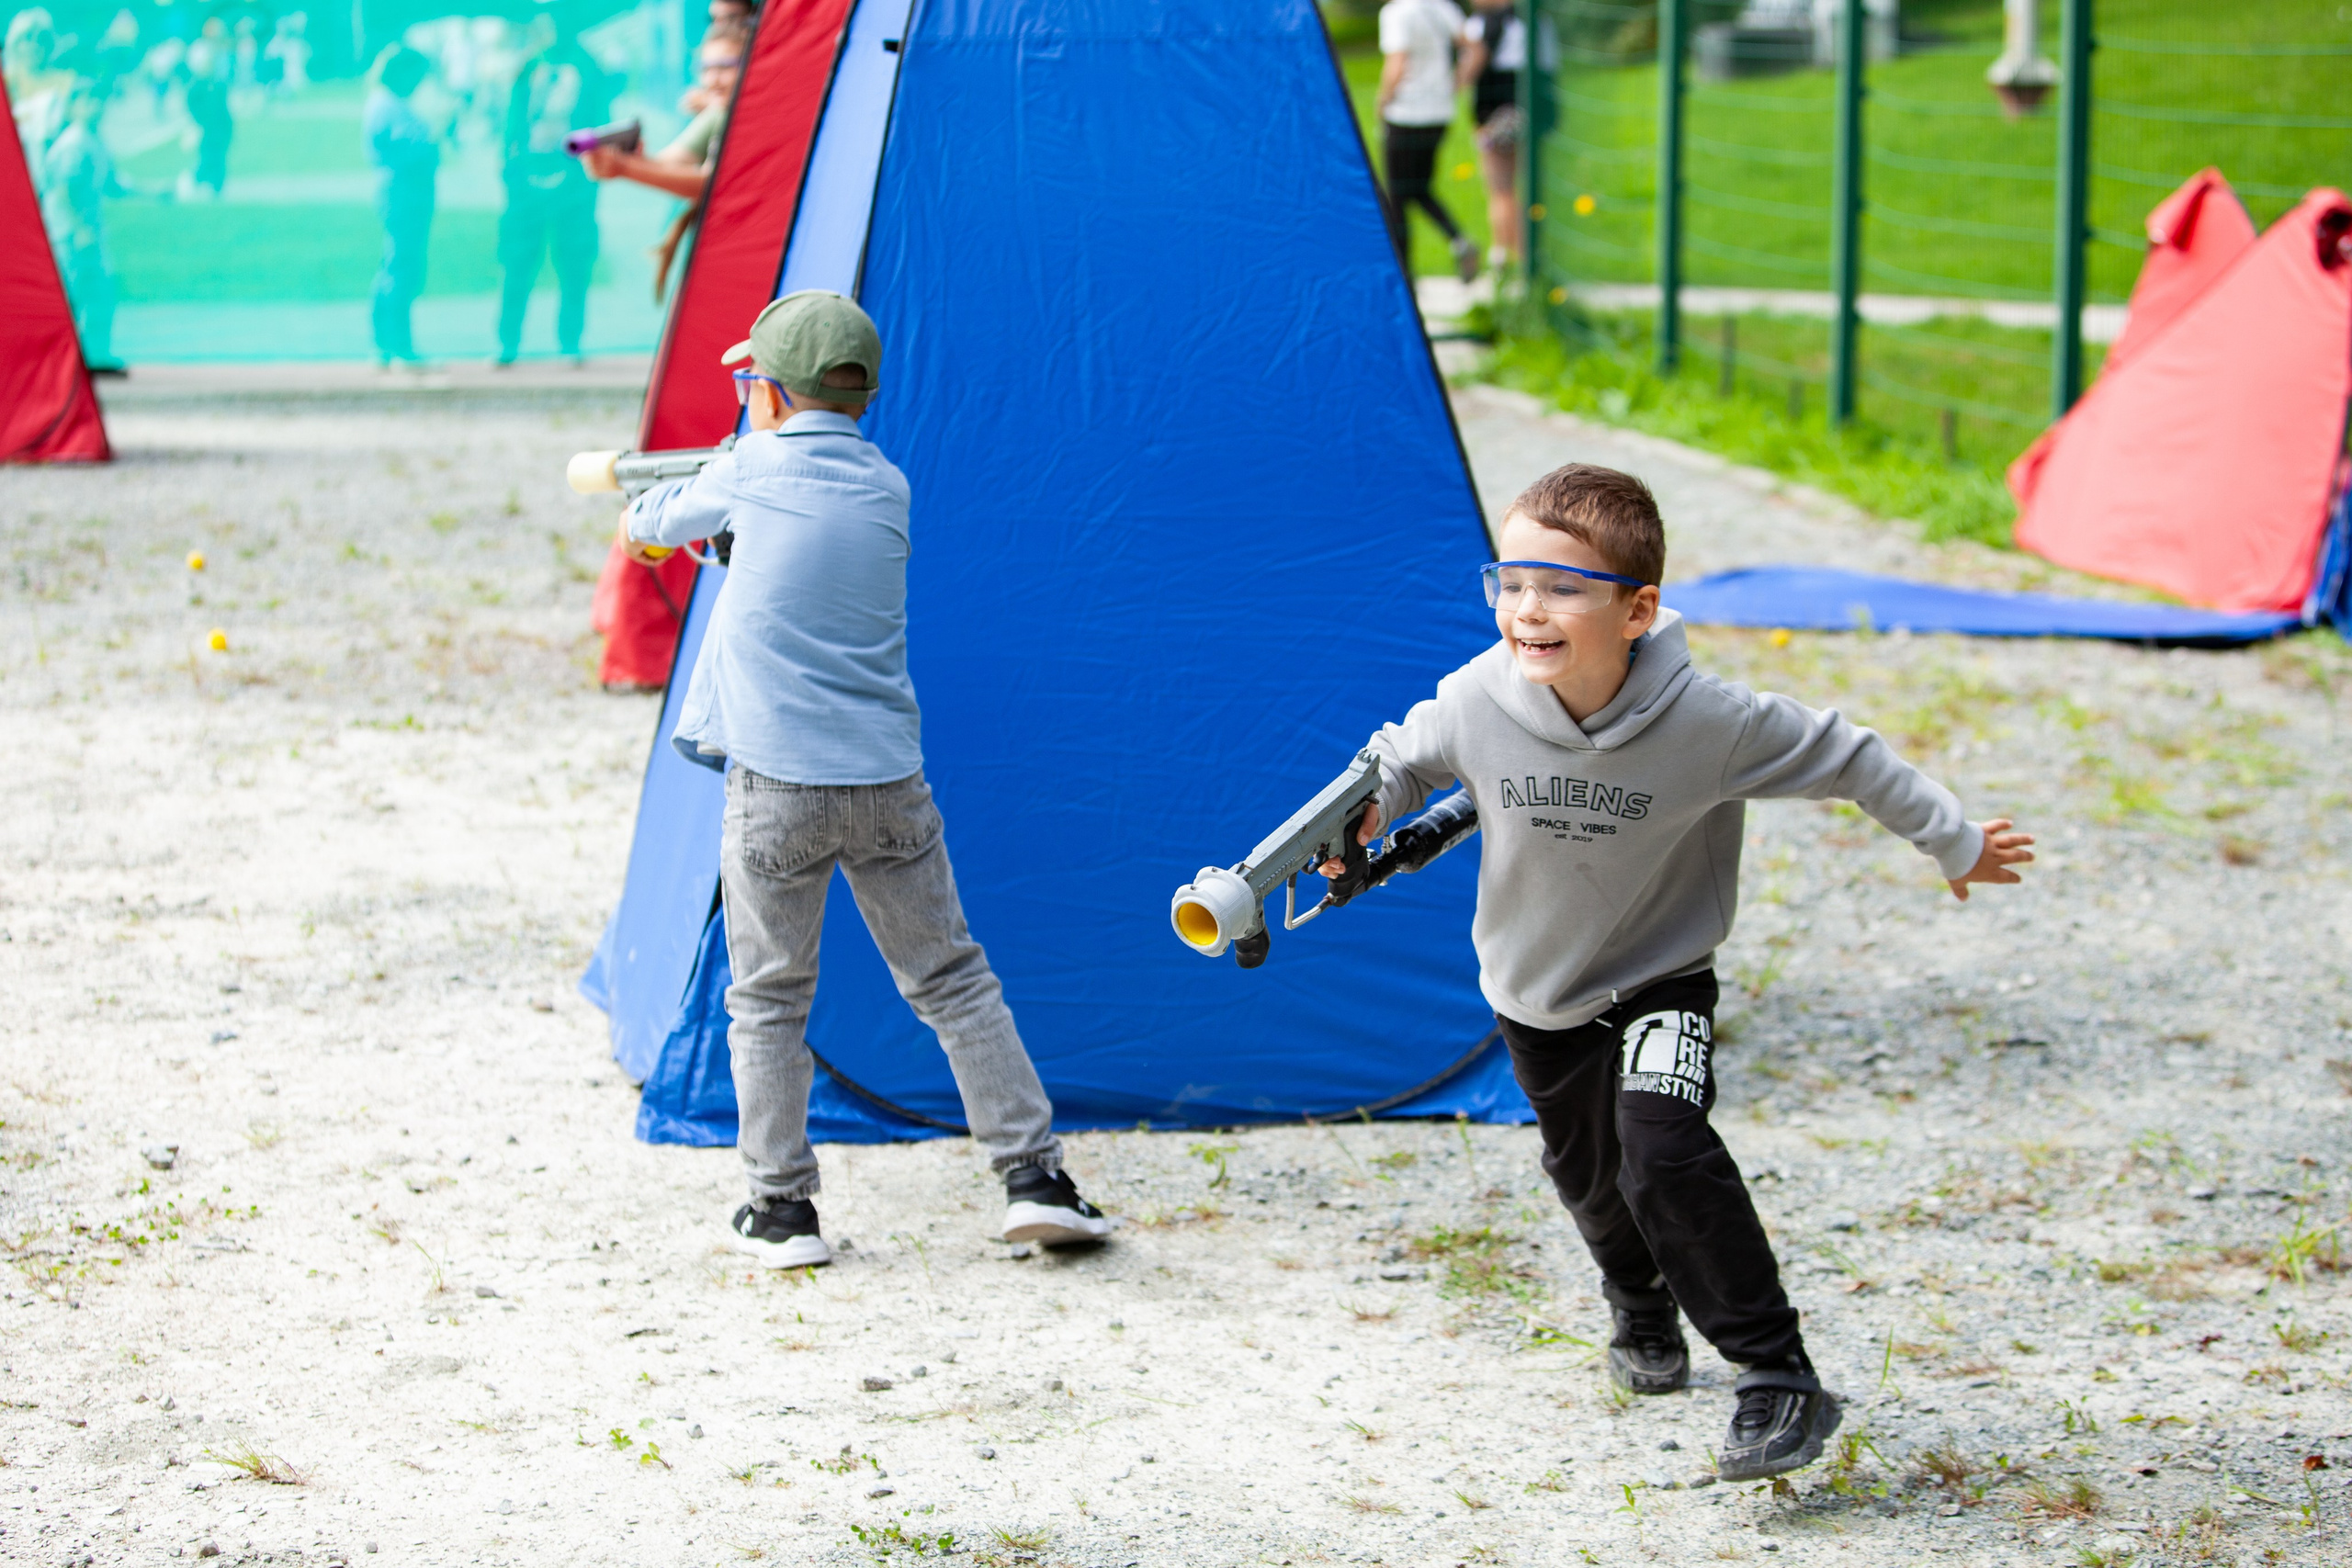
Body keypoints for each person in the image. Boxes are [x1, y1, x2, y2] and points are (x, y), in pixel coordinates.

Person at [1318, 465, 2033, 1479]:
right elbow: (1399, 758)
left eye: (1563, 587)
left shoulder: (1712, 723)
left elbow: (1851, 755)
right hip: (1535, 992)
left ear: (1637, 610)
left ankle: (1775, 1375)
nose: (1529, 609)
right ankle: (1640, 1304)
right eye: (1511, 582)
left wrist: (1953, 840)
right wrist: (1370, 807)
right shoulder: (1479, 698)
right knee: (1589, 1178)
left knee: (1661, 1146)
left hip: (1660, 979)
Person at [615, 291, 1114, 1267]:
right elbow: (787, 546)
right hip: (887, 781)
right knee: (954, 979)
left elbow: (648, 524)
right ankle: (1032, 1179)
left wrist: (702, 485)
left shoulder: (745, 469)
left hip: (776, 789)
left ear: (766, 391)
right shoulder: (886, 482)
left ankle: (780, 1208)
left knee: (766, 997)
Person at [493, 6, 614, 367]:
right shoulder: (528, 67)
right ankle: (507, 342)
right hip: (527, 183)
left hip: (573, 183)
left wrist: (587, 176)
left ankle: (569, 341)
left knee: (574, 263)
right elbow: (513, 123)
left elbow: (599, 123)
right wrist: (512, 170)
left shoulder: (587, 66)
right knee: (517, 263)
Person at [1376, 0, 1477, 284]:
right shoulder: (1442, 7)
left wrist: (1383, 101)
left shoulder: (1396, 13)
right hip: (1439, 114)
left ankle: (1403, 274)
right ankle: (1458, 239)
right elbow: (1474, 48)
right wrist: (1454, 85)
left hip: (1406, 114)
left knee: (1396, 196)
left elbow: (1397, 63)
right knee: (1419, 188)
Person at [40, 80, 125, 372]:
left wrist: (154, 192)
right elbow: (65, 190)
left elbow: (112, 184)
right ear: (74, 105)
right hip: (70, 233)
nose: (96, 106)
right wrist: (80, 229)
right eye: (88, 100)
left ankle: (94, 355)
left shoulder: (92, 139)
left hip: (85, 232)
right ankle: (70, 359)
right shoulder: (74, 143)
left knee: (96, 291)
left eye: (99, 99)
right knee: (80, 294)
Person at [364, 45, 439, 370]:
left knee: (399, 265)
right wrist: (433, 144)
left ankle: (387, 344)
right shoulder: (387, 106)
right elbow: (408, 151)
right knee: (401, 268)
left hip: (408, 192)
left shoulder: (391, 103)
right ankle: (395, 344)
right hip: (403, 192)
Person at [1457, 0, 1544, 277]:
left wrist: (1454, 84)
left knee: (1500, 188)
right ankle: (1524, 255)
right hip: (1527, 111)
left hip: (1495, 115)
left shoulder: (1481, 25)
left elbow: (1474, 64)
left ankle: (1506, 254)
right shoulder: (1532, 22)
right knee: (1523, 185)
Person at [181, 16, 232, 197]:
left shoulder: (222, 51)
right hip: (205, 100)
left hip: (218, 105)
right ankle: (199, 179)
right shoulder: (200, 49)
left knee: (220, 148)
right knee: (208, 150)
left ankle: (215, 184)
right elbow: (201, 72)